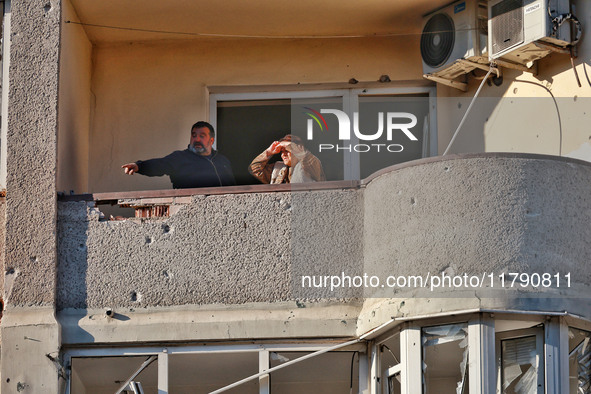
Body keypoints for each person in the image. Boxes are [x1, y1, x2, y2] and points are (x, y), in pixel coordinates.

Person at [122, 121, 235, 188]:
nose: (197, 139)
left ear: (211, 141)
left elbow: (232, 188)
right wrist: (139, 166)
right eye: (194, 135)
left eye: (202, 136)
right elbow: (159, 165)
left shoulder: (222, 161)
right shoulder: (180, 158)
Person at [249, 134, 325, 184]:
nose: (283, 154)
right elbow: (254, 169)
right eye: (282, 151)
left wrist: (288, 145)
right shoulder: (278, 169)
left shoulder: (311, 163)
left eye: (287, 150)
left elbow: (306, 158)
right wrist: (268, 152)